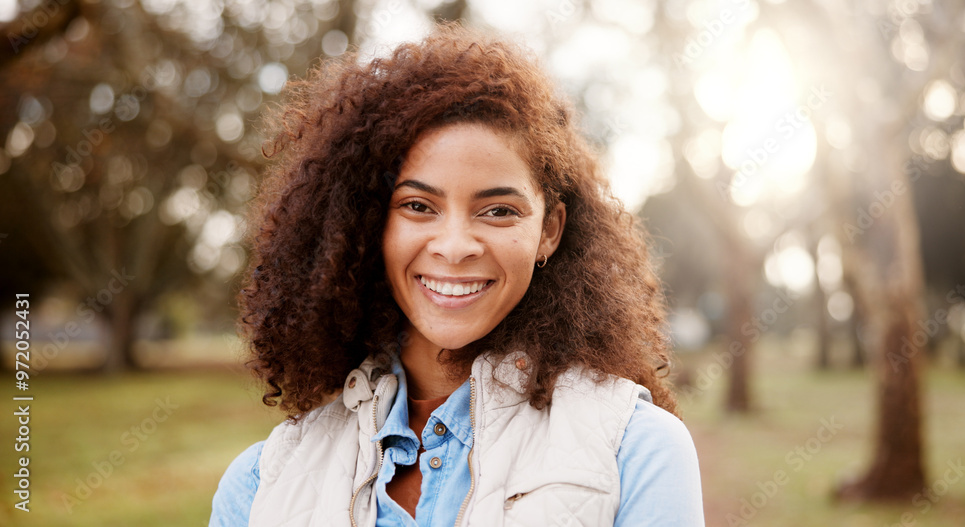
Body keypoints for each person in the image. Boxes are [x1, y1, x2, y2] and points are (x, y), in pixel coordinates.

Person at [209, 24, 704, 527]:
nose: (454, 247)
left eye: (498, 211)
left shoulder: (635, 450)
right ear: (368, 222)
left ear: (549, 230)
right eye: (419, 205)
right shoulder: (259, 485)